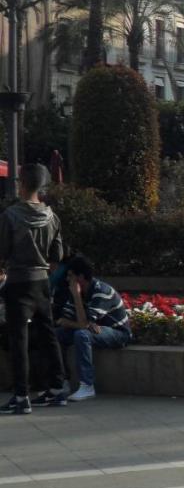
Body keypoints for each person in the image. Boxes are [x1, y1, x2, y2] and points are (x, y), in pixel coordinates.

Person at [1, 164, 67, 415]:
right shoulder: (52, 217)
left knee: (19, 339)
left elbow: (2, 251)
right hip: (42, 282)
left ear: (22, 184)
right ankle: (57, 388)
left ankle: (21, 395)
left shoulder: (10, 216)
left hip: (18, 280)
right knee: (48, 334)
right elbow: (57, 254)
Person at [55, 254, 130, 402]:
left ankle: (87, 385)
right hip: (94, 331)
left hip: (117, 333)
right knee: (56, 335)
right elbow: (63, 321)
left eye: (70, 276)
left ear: (81, 277)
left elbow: (82, 325)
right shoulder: (77, 291)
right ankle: (62, 381)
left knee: (81, 335)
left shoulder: (102, 291)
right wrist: (81, 324)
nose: (67, 279)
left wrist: (76, 297)